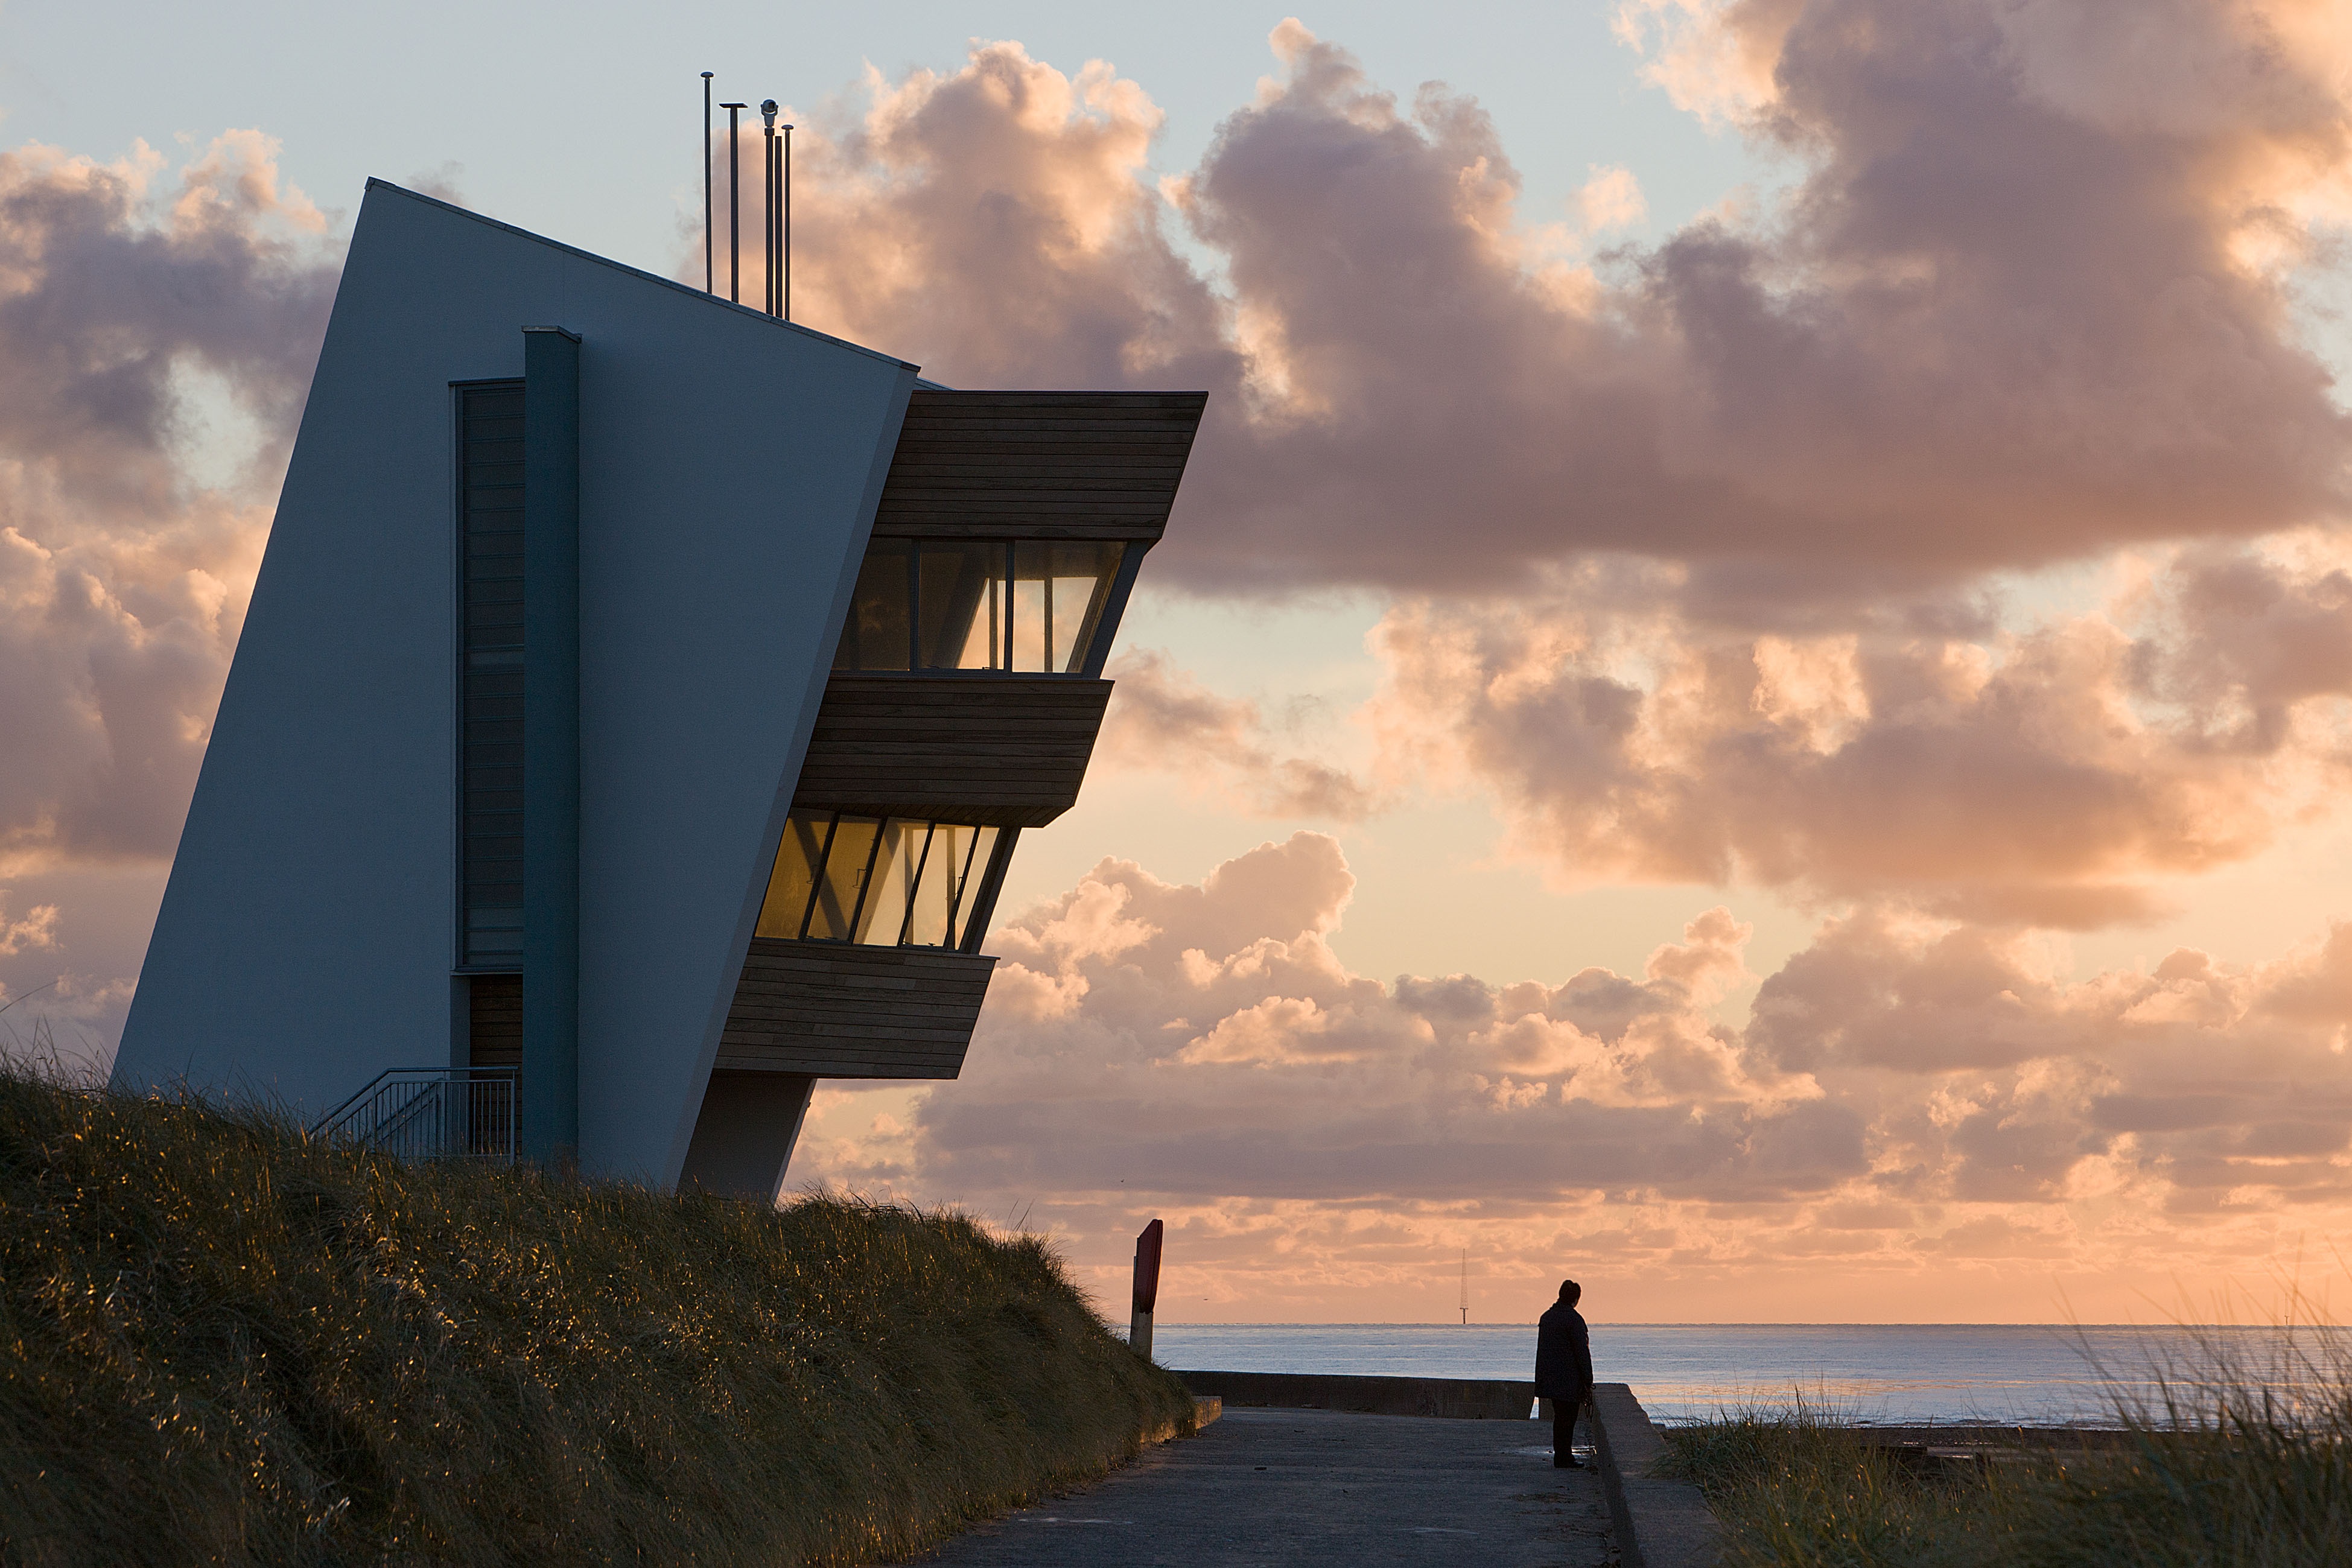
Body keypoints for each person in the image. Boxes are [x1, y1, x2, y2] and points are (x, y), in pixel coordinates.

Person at [1534, 1278, 1594, 1470]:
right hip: (1569, 1380)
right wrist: (1588, 1378)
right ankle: (1564, 1457)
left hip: (1551, 1378)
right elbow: (1581, 1352)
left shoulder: (1547, 1317)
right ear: (1575, 1299)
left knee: (1560, 1419)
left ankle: (1561, 1456)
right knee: (1568, 1420)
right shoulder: (1574, 1320)